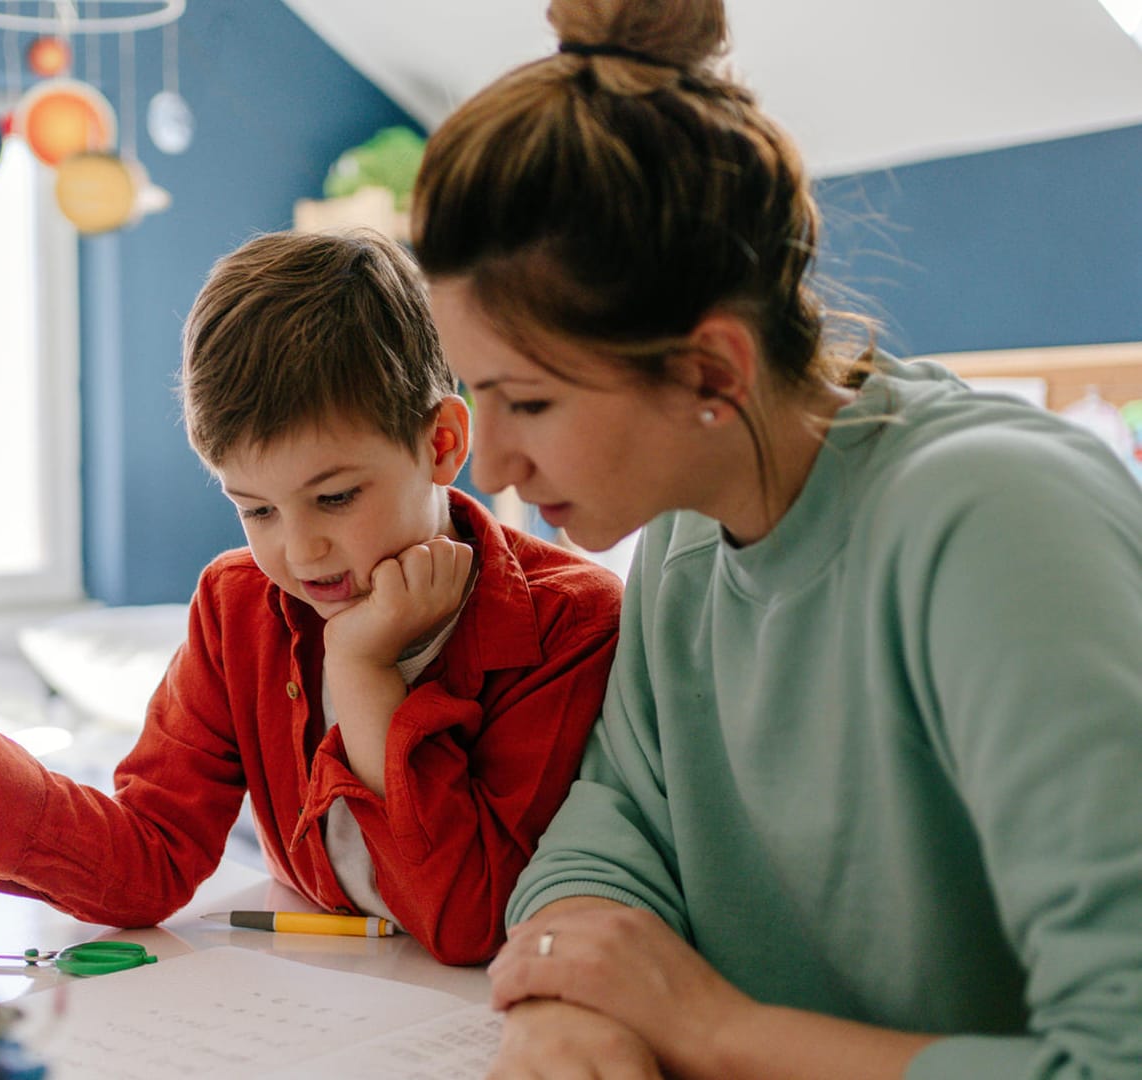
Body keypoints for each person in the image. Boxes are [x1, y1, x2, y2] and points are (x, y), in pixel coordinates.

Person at [409, 0, 1142, 1073]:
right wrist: (566, 1000)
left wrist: (712, 1029)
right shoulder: (687, 545)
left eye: (528, 402)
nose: (493, 469)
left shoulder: (996, 526)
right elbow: (611, 827)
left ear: (711, 372)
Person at [0, 230, 623, 966]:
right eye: (256, 509)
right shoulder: (237, 604)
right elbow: (149, 860)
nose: (300, 550)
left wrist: (362, 672)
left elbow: (470, 922)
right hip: (314, 1002)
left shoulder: (572, 621)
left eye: (337, 497)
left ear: (442, 442)